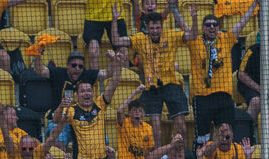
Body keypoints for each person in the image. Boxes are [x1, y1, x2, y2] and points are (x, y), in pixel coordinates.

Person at [111, 5, 195, 146]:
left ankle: (183, 155)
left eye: (157, 28)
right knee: (155, 126)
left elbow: (192, 36)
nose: (155, 31)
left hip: (171, 84)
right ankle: (156, 156)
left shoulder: (171, 36)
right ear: (147, 28)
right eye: (152, 28)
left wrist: (194, 18)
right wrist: (114, 20)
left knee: (181, 125)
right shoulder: (140, 39)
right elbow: (116, 41)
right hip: (151, 87)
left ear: (161, 27)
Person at [65, 51, 124, 159]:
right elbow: (57, 119)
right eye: (83, 91)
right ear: (77, 95)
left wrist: (117, 63)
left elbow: (114, 83)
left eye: (89, 90)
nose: (86, 93)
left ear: (93, 92)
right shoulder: (72, 110)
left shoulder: (100, 105)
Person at [186, 8, 256, 146]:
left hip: (223, 96)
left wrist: (254, 5)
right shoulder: (195, 41)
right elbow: (188, 29)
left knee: (227, 134)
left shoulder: (226, 39)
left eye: (214, 24)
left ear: (218, 27)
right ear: (203, 28)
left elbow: (242, 22)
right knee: (202, 138)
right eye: (208, 25)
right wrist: (192, 17)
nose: (211, 27)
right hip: (202, 97)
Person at [83, 0, 126, 70]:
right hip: (94, 15)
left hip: (116, 12)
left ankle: (125, 78)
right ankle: (94, 79)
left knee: (123, 51)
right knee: (93, 50)